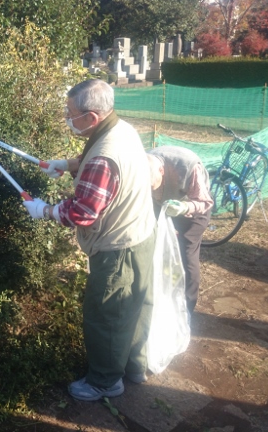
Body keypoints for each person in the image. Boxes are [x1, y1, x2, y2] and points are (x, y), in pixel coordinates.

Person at [23, 79, 156, 400]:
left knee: (107, 314)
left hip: (118, 248)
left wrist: (45, 210)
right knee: (134, 307)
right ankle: (135, 367)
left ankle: (105, 381)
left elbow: (83, 212)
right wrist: (68, 165)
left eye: (70, 114)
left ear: (92, 117)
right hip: (140, 235)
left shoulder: (103, 156)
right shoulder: (120, 129)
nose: (66, 119)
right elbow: (104, 171)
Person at [146, 146, 213, 313]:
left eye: (154, 186)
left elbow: (205, 202)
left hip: (193, 211)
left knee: (187, 254)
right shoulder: (142, 163)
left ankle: (186, 307)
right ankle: (163, 292)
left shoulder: (187, 166)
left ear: (162, 171)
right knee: (159, 249)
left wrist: (184, 208)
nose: (153, 190)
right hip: (161, 209)